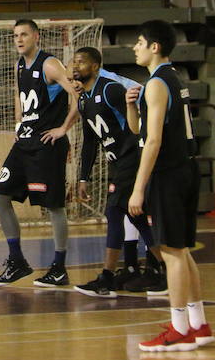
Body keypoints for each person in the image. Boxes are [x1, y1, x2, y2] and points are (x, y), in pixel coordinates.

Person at [127, 20, 212, 352]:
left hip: (167, 175)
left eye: (139, 42)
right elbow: (141, 132)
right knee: (181, 250)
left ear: (154, 47)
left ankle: (179, 330)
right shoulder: (173, 79)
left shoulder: (157, 84)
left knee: (172, 253)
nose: (134, 47)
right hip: (186, 171)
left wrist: (138, 187)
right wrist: (131, 106)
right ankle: (198, 324)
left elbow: (153, 142)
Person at [70, 47, 166, 299]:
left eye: (80, 62)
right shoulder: (83, 99)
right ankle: (163, 268)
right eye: (73, 62)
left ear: (94, 66)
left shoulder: (111, 89)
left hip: (132, 159)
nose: (74, 66)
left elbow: (139, 123)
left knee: (115, 212)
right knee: (136, 216)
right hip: (117, 163)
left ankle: (107, 277)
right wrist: (83, 177)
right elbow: (90, 141)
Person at [0, 19, 80, 287]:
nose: (19, 39)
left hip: (47, 144)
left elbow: (78, 93)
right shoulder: (19, 65)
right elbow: (19, 95)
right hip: (25, 142)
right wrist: (18, 124)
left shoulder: (50, 64)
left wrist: (64, 128)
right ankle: (17, 261)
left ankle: (59, 267)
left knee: (53, 206)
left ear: (36, 37)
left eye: (24, 35)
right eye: (15, 35)